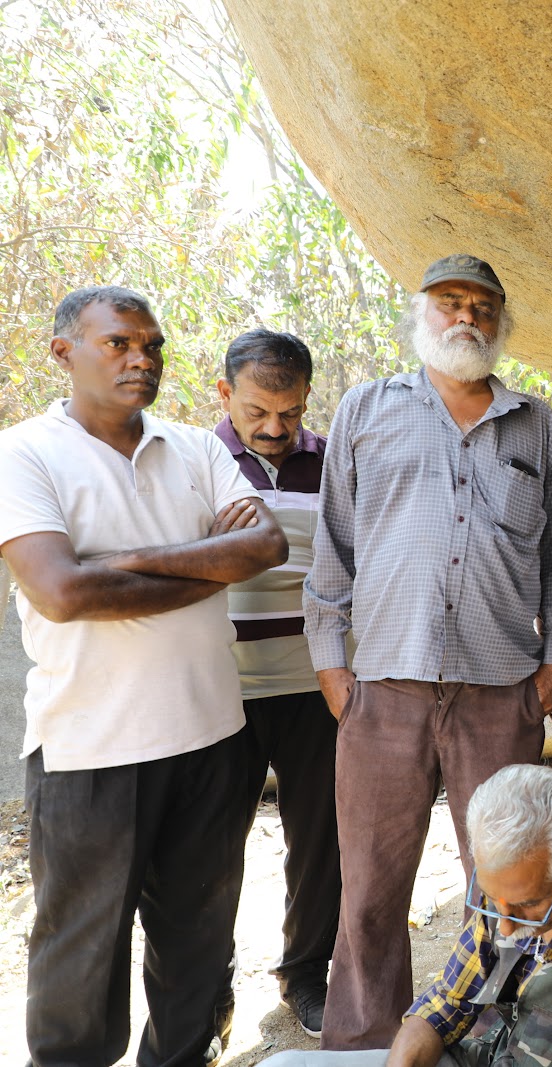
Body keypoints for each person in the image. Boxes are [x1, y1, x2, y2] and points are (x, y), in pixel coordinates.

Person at [0, 286, 288, 1066]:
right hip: (89, 750)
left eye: (153, 345)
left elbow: (265, 547)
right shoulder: (23, 453)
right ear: (63, 352)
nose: (142, 358)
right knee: (80, 962)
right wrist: (207, 564)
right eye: (119, 343)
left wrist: (122, 561)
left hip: (211, 736)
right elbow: (63, 592)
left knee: (196, 947)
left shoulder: (195, 447)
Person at [304, 255, 552, 1049]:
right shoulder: (367, 409)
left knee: (508, 881)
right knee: (370, 887)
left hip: (500, 692)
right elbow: (333, 545)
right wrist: (333, 669)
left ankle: (499, 1039)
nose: (467, 317)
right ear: (422, 311)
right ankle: (364, 1044)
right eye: (451, 301)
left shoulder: (537, 425)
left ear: (502, 322)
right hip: (383, 692)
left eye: (484, 306)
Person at [255, 764, 552, 1066]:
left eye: (528, 906)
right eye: (495, 901)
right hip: (485, 1055)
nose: (505, 926)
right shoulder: (511, 890)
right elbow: (447, 1004)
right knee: (284, 1065)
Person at [213, 328, 342, 1039]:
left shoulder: (333, 460)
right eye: (257, 411)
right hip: (220, 690)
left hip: (314, 682)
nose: (273, 427)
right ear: (224, 393)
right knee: (210, 847)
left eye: (289, 412)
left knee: (320, 837)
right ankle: (210, 991)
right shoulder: (199, 461)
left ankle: (306, 974)